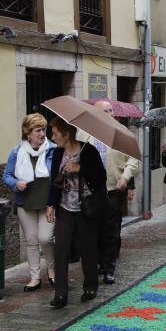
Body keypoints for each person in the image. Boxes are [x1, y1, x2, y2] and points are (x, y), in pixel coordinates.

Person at [46, 117, 107, 307]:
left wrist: (80, 168)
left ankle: (90, 286)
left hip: (85, 207)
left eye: (55, 133)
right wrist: (51, 204)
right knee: (61, 249)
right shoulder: (57, 153)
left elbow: (100, 176)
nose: (53, 137)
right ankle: (60, 294)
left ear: (66, 134)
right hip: (65, 207)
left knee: (87, 248)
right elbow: (53, 181)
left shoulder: (88, 150)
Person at [2, 113, 56, 292]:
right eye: (38, 130)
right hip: (25, 204)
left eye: (44, 130)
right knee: (31, 241)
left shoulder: (53, 150)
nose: (42, 133)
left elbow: (58, 177)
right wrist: (16, 184)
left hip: (47, 204)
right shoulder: (17, 152)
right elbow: (6, 176)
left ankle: (52, 268)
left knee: (45, 238)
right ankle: (34, 278)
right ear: (28, 133)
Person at [92, 100, 140, 285]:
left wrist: (126, 177)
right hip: (93, 190)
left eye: (111, 110)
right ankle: (100, 262)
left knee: (112, 230)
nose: (110, 113)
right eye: (105, 111)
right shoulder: (86, 134)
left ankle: (109, 268)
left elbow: (133, 159)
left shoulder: (123, 133)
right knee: (95, 229)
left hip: (114, 189)